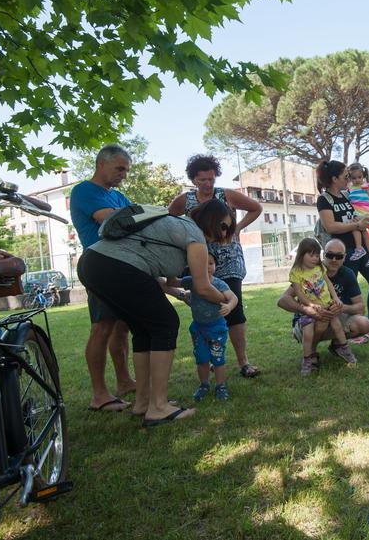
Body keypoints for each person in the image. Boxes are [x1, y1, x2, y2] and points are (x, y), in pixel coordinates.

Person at [77, 206, 225, 426]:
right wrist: (226, 300)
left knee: (144, 329)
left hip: (92, 262)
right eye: (224, 226)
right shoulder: (195, 234)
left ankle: (144, 402)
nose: (225, 232)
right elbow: (203, 287)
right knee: (166, 323)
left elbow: (164, 281)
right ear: (211, 221)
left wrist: (180, 294)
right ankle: (159, 407)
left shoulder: (175, 226)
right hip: (114, 266)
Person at [168, 154, 263, 378]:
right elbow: (168, 219)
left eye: (211, 179)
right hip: (200, 259)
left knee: (234, 307)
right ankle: (211, 358)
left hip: (229, 258)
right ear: (193, 180)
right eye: (202, 180)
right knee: (205, 308)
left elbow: (256, 208)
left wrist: (237, 229)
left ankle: (243, 362)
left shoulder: (226, 195)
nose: (208, 184)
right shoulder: (185, 200)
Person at [69, 144, 135, 412]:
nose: (124, 175)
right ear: (101, 164)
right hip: (99, 265)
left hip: (121, 265)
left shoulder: (118, 196)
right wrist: (136, 215)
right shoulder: (83, 190)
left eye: (126, 170)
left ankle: (125, 381)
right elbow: (108, 219)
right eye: (120, 168)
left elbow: (136, 218)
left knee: (122, 327)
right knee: (102, 326)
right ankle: (99, 394)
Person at [316, 160, 369, 340]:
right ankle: (353, 330)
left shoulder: (350, 193)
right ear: (334, 178)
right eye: (345, 176)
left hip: (361, 248)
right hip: (343, 252)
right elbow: (330, 226)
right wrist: (356, 224)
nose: (348, 178)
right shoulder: (324, 199)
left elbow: (366, 206)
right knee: (348, 293)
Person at [277, 239, 369, 366]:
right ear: (323, 255)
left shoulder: (347, 274)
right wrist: (306, 309)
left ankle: (337, 346)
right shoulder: (310, 271)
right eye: (330, 255)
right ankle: (311, 354)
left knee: (364, 324)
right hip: (307, 322)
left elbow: (360, 307)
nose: (334, 259)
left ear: (344, 258)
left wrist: (340, 308)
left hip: (333, 316)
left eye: (339, 256)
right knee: (321, 321)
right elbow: (282, 301)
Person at [289, 238, 357, 374]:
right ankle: (308, 360)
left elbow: (329, 284)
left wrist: (336, 298)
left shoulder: (320, 268)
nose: (315, 258)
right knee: (308, 334)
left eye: (316, 255)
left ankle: (344, 349)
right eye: (311, 255)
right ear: (302, 254)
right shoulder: (296, 272)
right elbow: (298, 294)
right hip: (309, 310)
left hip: (326, 305)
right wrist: (310, 305)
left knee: (337, 324)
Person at [187, 254, 237, 402]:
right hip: (198, 328)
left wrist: (229, 306)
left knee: (218, 358)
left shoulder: (219, 284)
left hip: (216, 328)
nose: (207, 266)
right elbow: (172, 282)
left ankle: (221, 385)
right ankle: (204, 385)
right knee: (201, 358)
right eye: (203, 262)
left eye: (211, 263)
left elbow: (233, 298)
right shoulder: (191, 281)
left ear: (215, 266)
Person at [345, 162, 369, 266]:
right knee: (363, 231)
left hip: (365, 212)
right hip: (357, 212)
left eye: (359, 177)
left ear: (363, 176)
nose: (357, 180)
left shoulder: (365, 186)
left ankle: (359, 248)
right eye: (354, 178)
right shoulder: (350, 188)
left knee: (355, 227)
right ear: (350, 178)